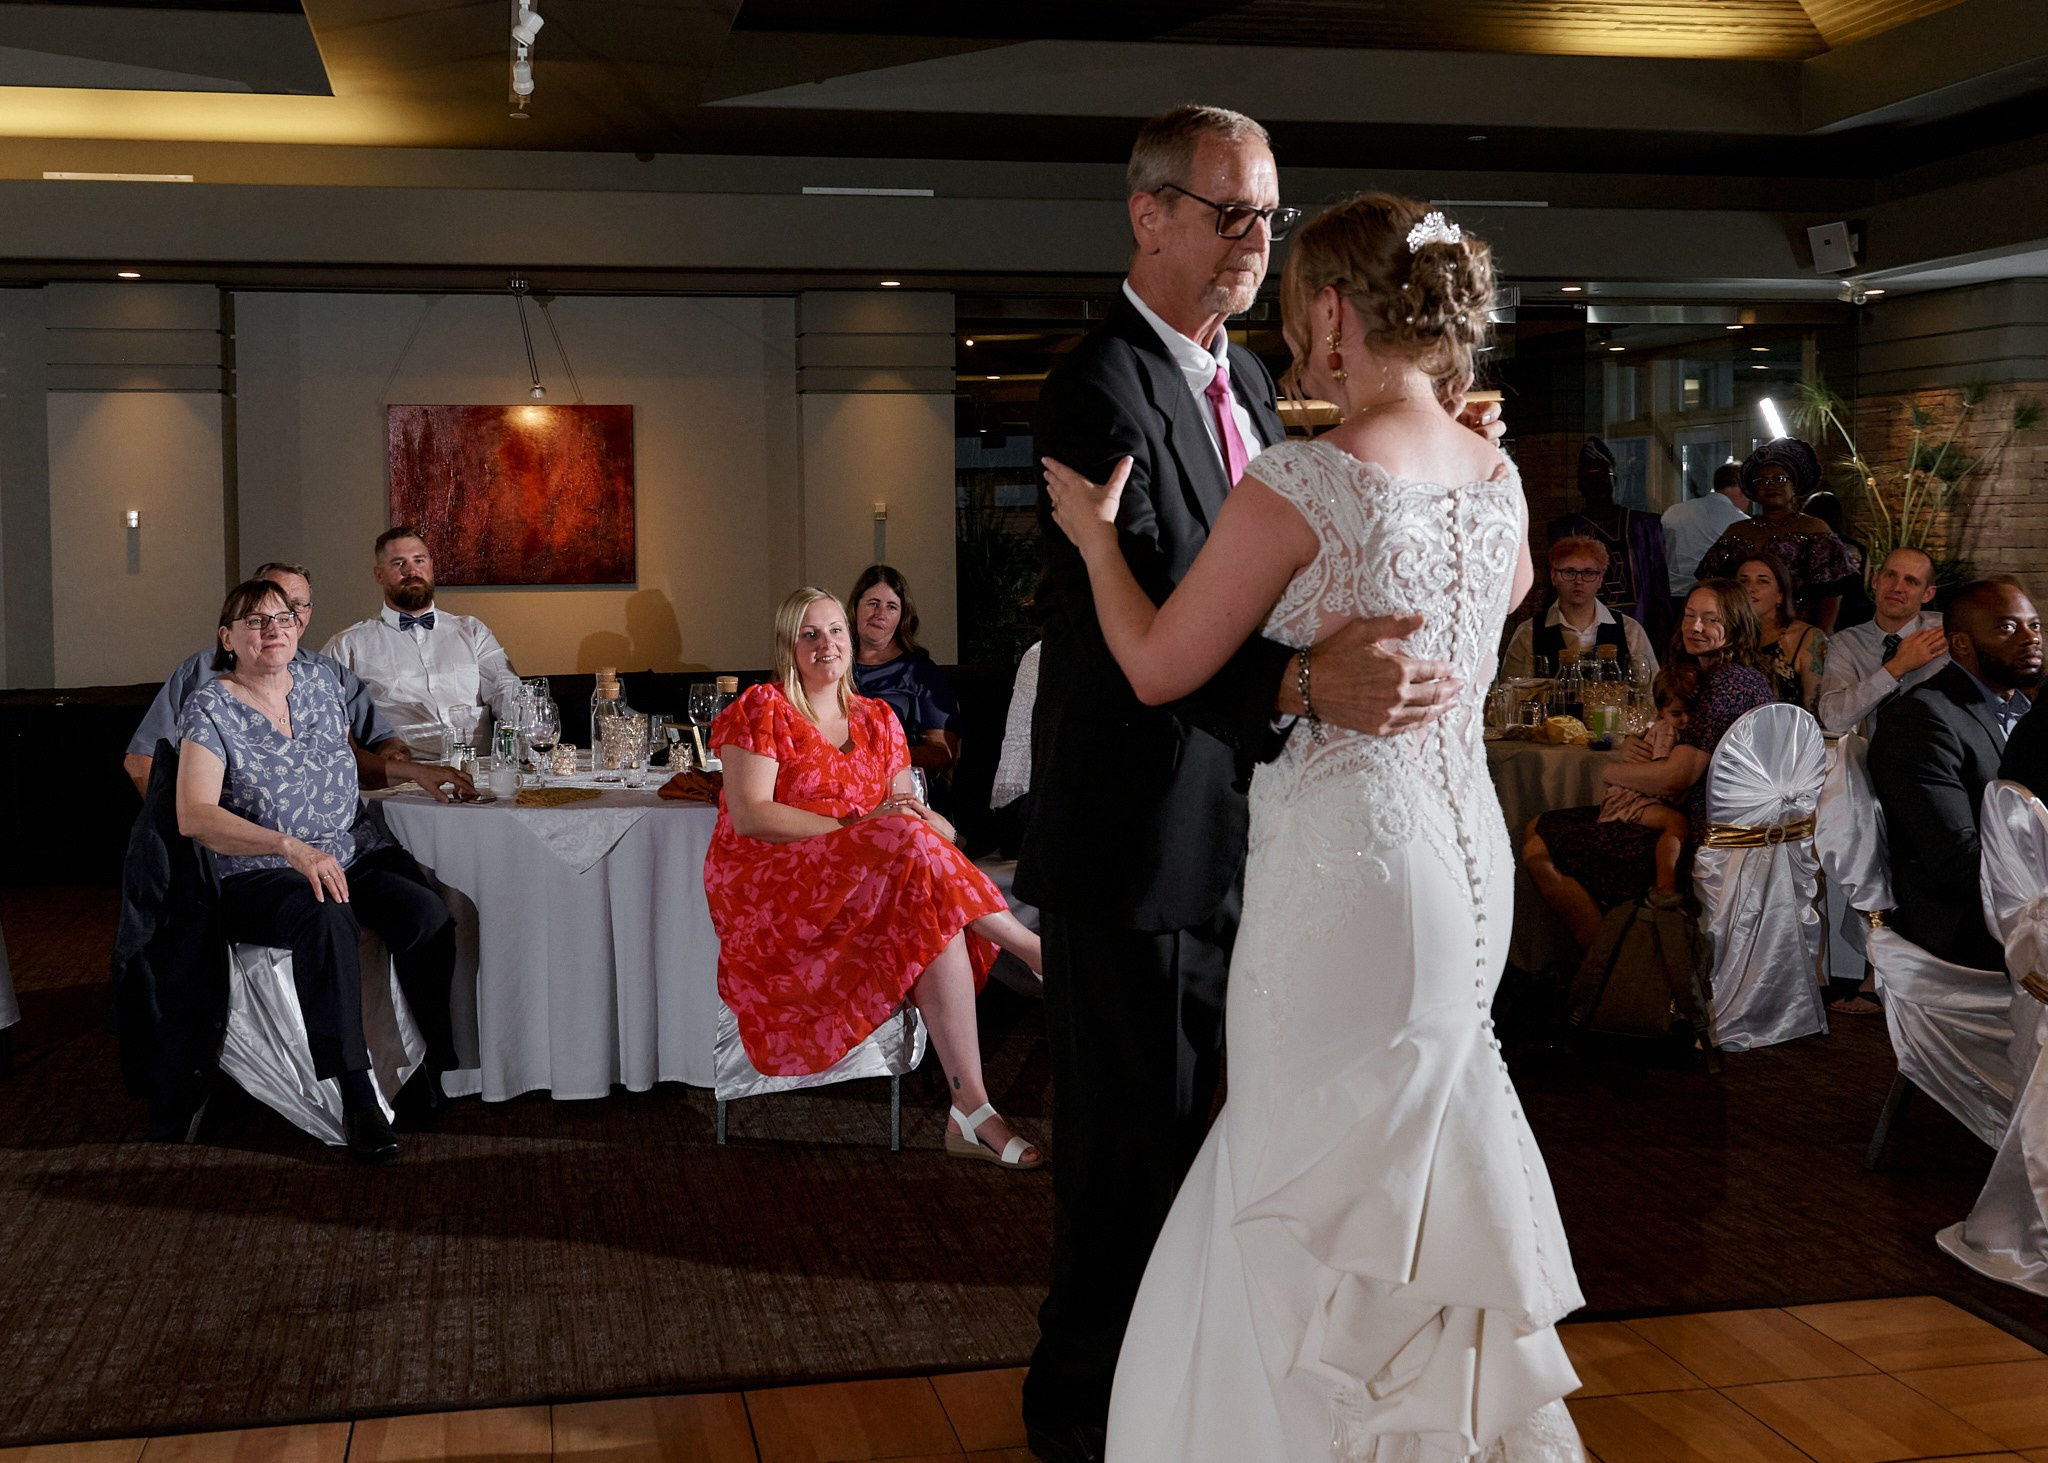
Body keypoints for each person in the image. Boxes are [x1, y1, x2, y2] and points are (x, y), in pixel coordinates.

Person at [1043, 192, 1582, 1463]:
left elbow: (1161, 666)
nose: (1290, 338)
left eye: (1297, 311)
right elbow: (1495, 592)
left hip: (1352, 866)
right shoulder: (1495, 473)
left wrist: (1096, 542)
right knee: (1421, 1141)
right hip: (1467, 866)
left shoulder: (1304, 478)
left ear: (1334, 312)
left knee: (1301, 1152)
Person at [704, 588, 1047, 1167]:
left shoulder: (879, 718)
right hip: (778, 888)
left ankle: (972, 1109)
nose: (827, 644)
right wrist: (857, 825)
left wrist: (922, 822)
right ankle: (1034, 950)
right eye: (809, 633)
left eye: (836, 630)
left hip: (870, 882)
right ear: (790, 645)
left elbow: (904, 809)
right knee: (907, 855)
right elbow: (751, 814)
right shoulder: (763, 708)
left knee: (924, 896)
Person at [175, 578, 461, 1164]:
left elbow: (341, 760)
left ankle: (429, 1065)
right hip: (259, 872)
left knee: (427, 916)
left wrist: (414, 773)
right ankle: (355, 1091)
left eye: (281, 617)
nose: (272, 628)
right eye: (254, 621)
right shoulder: (210, 707)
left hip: (350, 851)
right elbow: (193, 815)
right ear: (227, 638)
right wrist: (289, 848)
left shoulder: (320, 683)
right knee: (326, 917)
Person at [1524, 580, 1775, 949]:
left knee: (1538, 848)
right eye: (1690, 616)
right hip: (1701, 823)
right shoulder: (1718, 676)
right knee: (1537, 828)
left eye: (1710, 620)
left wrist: (1607, 770)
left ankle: (1607, 966)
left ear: (1736, 625)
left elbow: (1678, 777)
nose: (1695, 627)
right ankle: (1611, 962)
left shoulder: (1728, 682)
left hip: (1698, 836)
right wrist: (1633, 747)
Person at [124, 562, 472, 803]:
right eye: (269, 608)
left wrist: (409, 766)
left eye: (295, 608)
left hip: (329, 830)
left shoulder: (326, 676)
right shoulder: (203, 679)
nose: (279, 621)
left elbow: (370, 749)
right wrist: (180, 831)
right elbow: (142, 759)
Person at [1868, 580, 2043, 972]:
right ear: (1961, 645)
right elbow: (1955, 862)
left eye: (2034, 625)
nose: (2031, 639)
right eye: (2008, 628)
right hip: (1965, 921)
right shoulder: (1922, 719)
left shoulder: (2025, 708)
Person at [322, 527, 527, 761]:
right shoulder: (348, 644)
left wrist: (525, 738)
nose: (412, 570)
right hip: (404, 776)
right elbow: (321, 711)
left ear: (430, 565)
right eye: (399, 563)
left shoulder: (472, 631)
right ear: (379, 575)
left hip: (480, 769)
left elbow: (507, 690)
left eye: (419, 560)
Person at [1696, 439, 1852, 630]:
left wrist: (1822, 634)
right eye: (1762, 481)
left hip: (1798, 635)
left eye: (1779, 479)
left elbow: (1831, 592)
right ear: (1753, 490)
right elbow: (1713, 584)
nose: (1770, 485)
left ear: (1794, 486)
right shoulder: (1737, 530)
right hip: (1742, 632)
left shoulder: (1814, 529)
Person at [1548, 436, 1673, 652]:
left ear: (1615, 480)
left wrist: (1664, 642)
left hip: (1639, 634)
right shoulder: (1563, 529)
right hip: (1578, 637)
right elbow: (1553, 589)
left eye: (1603, 475)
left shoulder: (1645, 526)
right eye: (1589, 477)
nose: (1596, 483)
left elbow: (1660, 591)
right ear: (1580, 483)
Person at [1817, 546, 1947, 737]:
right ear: (1876, 580)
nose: (1897, 587)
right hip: (1871, 761)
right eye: (1890, 575)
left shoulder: (1946, 633)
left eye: (1911, 581)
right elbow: (1834, 719)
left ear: (1928, 594)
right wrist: (1895, 668)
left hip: (1938, 756)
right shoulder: (1846, 644)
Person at [846, 564, 960, 774]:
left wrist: (881, 756)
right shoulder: (832, 665)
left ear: (902, 617)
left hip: (900, 783)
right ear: (855, 607)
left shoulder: (921, 672)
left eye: (891, 607)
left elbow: (943, 753)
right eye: (873, 603)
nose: (880, 614)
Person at [1500, 535, 1658, 680]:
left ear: (1600, 579)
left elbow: (1651, 692)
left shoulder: (1629, 630)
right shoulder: (1529, 633)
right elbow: (1511, 694)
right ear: (1554, 577)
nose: (1579, 581)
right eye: (1569, 572)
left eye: (1588, 573)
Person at [1598, 667, 1697, 895]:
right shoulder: (1667, 731)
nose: (1686, 719)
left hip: (1642, 795)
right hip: (1631, 797)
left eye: (1690, 711)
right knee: (1676, 822)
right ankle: (1665, 888)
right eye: (1676, 713)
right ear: (1661, 712)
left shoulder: (1675, 727)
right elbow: (1662, 775)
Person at [1737, 552, 1827, 711]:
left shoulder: (1807, 637)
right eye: (1743, 581)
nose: (1750, 588)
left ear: (1780, 595)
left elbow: (1817, 709)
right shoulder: (1724, 634)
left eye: (1762, 581)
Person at [1661, 461, 1749, 604]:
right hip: (1712, 598)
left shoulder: (1674, 511)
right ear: (1741, 491)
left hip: (1670, 596)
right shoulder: (1740, 522)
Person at [1802, 489, 1875, 630]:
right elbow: (1864, 581)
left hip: (1827, 618)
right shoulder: (1858, 547)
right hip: (1861, 615)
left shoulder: (1810, 548)